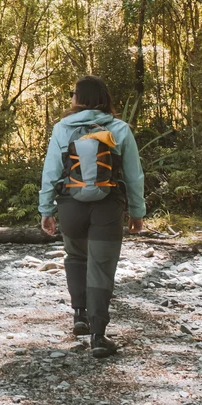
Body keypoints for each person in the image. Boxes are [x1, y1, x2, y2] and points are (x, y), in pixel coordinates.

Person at [39, 75, 145, 358]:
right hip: (108, 205)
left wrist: (46, 210)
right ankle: (99, 336)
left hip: (70, 204)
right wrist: (137, 211)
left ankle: (79, 316)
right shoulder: (120, 129)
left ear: (78, 99)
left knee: (75, 257)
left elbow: (50, 172)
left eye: (73, 93)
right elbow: (134, 176)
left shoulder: (62, 128)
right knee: (101, 266)